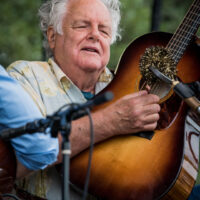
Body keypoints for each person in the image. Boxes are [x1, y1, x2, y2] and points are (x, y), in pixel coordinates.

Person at [6, 0, 163, 199]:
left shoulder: (129, 88)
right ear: (53, 36)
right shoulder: (25, 76)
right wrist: (110, 121)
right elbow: (16, 157)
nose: (95, 35)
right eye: (82, 26)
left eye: (104, 31)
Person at [0, 64, 59, 198]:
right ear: (52, 41)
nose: (96, 40)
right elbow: (41, 148)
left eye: (107, 40)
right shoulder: (24, 73)